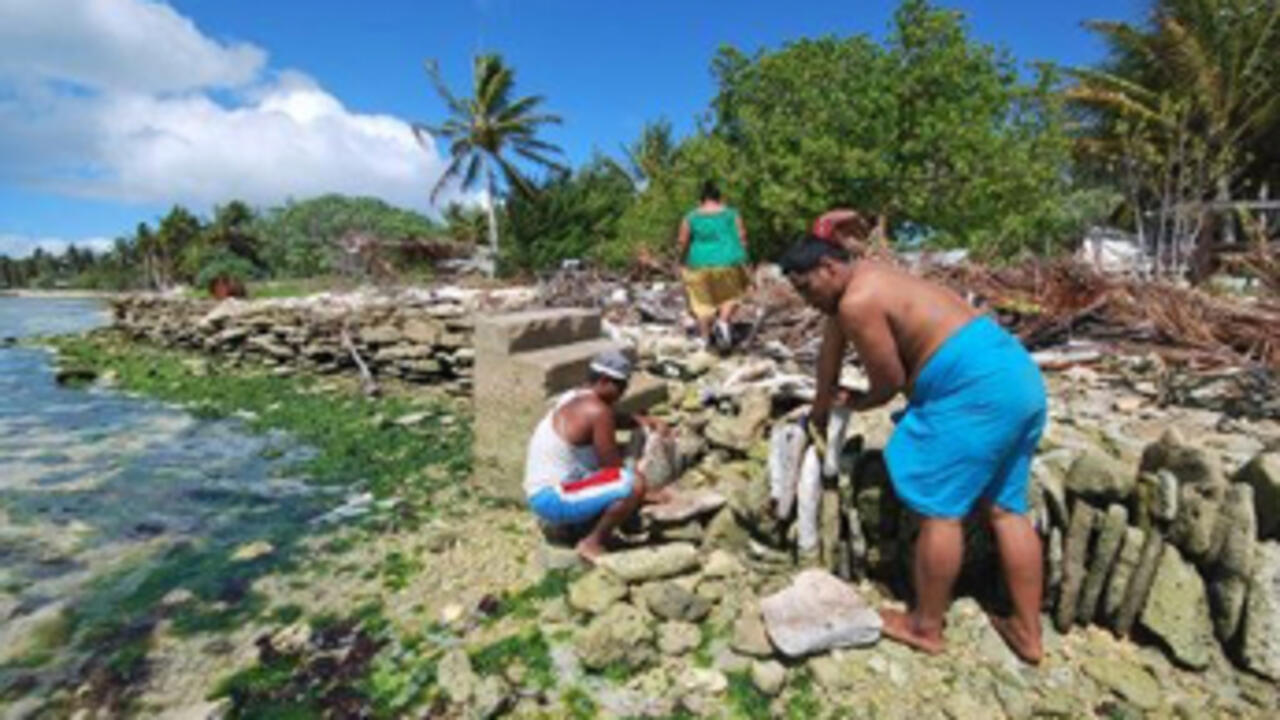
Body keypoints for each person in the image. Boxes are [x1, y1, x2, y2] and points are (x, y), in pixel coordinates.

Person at [777, 231, 1048, 664]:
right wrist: (819, 407)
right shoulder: (868, 278)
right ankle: (1028, 633)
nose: (806, 300)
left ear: (828, 268)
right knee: (1005, 509)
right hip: (1017, 377)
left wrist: (858, 401)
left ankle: (925, 625)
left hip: (972, 390)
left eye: (806, 288)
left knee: (940, 511)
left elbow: (889, 381)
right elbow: (831, 351)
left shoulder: (856, 301)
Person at [524, 349, 669, 562]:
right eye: (620, 386)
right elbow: (612, 468)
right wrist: (645, 493)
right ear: (603, 380)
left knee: (628, 479)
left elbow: (616, 418)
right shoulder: (598, 411)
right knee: (633, 484)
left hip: (540, 494)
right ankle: (592, 542)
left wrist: (640, 421)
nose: (623, 392)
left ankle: (608, 520)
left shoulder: (574, 396)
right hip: (554, 499)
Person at [678, 180, 750, 351]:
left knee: (701, 303)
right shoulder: (732, 214)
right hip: (728, 261)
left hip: (698, 263)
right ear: (720, 199)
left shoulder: (691, 217)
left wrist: (681, 261)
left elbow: (682, 242)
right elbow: (742, 237)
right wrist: (745, 258)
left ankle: (704, 339)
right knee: (731, 295)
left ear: (701, 200)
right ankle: (723, 322)